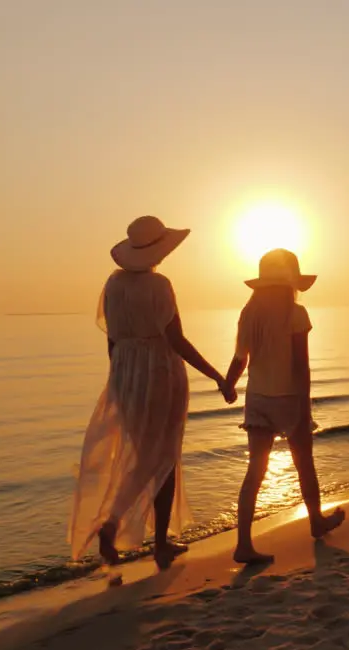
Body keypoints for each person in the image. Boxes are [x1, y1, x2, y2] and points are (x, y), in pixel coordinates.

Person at [69, 216, 231, 570]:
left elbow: (112, 342)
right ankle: (142, 537)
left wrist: (119, 382)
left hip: (126, 373)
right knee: (163, 457)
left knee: (145, 454)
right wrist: (216, 375)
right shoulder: (159, 285)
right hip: (158, 371)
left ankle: (132, 532)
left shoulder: (113, 285)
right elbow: (176, 340)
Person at [222, 249, 345, 564]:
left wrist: (228, 384)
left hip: (258, 399)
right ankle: (315, 521)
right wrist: (304, 408)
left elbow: (240, 358)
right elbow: (301, 367)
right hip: (289, 397)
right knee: (304, 463)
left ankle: (243, 544)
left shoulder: (249, 313)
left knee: (255, 471)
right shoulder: (295, 313)